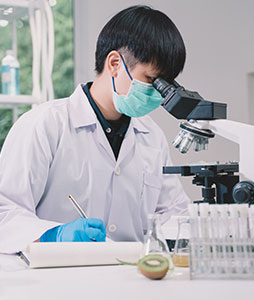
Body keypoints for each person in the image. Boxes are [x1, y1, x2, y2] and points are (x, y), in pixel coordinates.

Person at [0, 5, 190, 253]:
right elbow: (6, 212)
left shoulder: (151, 136)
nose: (157, 94)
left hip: (130, 277)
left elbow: (173, 212)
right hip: (56, 279)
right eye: (151, 80)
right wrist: (54, 235)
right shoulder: (44, 124)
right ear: (114, 63)